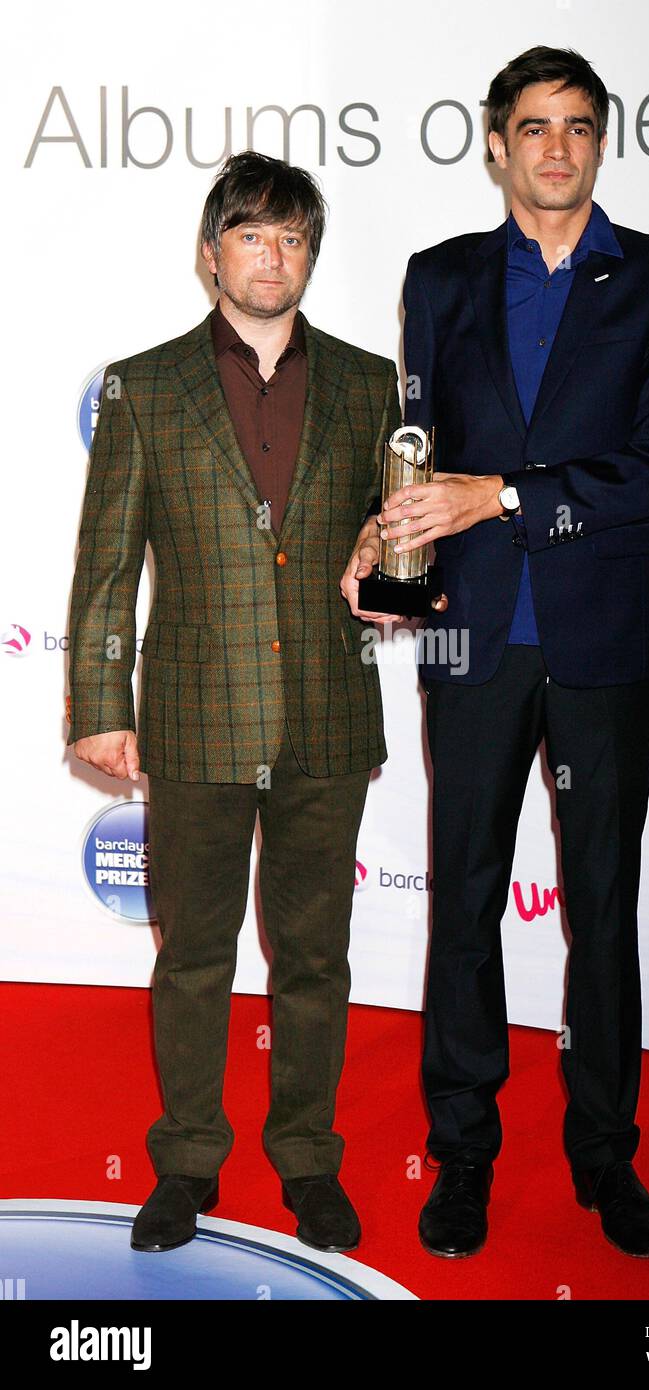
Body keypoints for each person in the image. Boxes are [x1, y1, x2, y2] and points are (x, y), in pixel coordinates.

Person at [369, 45, 649, 1259]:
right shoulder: (442, 279)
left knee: (603, 907)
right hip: (470, 640)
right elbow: (418, 451)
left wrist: (501, 499)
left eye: (577, 126)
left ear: (602, 141)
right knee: (462, 900)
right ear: (496, 143)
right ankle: (463, 1154)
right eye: (533, 126)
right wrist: (389, 546)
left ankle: (605, 1157)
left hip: (603, 638)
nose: (555, 147)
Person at [66, 151, 399, 1255]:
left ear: (312, 256)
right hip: (196, 715)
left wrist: (392, 568)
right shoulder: (145, 385)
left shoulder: (368, 383)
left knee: (315, 955)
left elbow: (383, 529)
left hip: (327, 715)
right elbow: (107, 564)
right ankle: (188, 1159)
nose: (276, 256)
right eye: (254, 235)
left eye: (295, 238)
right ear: (212, 254)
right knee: (195, 952)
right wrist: (98, 702)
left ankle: (308, 1158)